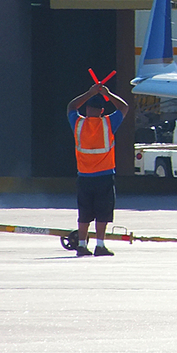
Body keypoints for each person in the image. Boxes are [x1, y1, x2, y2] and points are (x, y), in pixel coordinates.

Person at [67, 83, 129, 257]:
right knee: (103, 212)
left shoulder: (78, 124)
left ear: (86, 109)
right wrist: (108, 93)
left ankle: (81, 245)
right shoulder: (108, 123)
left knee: (84, 212)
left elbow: (71, 106)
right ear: (102, 111)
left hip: (84, 176)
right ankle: (100, 245)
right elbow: (124, 107)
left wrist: (89, 92)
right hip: (104, 176)